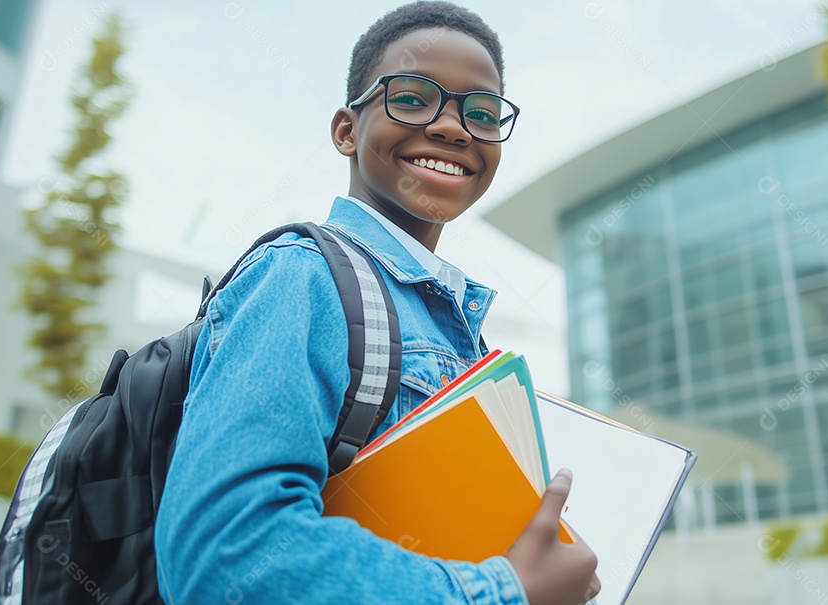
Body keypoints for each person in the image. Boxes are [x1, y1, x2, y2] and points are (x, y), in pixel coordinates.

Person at [154, 2, 600, 604]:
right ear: (346, 130)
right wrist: (503, 592)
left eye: (482, 111)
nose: (452, 127)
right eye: (412, 99)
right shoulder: (302, 276)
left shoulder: (459, 327)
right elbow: (229, 557)